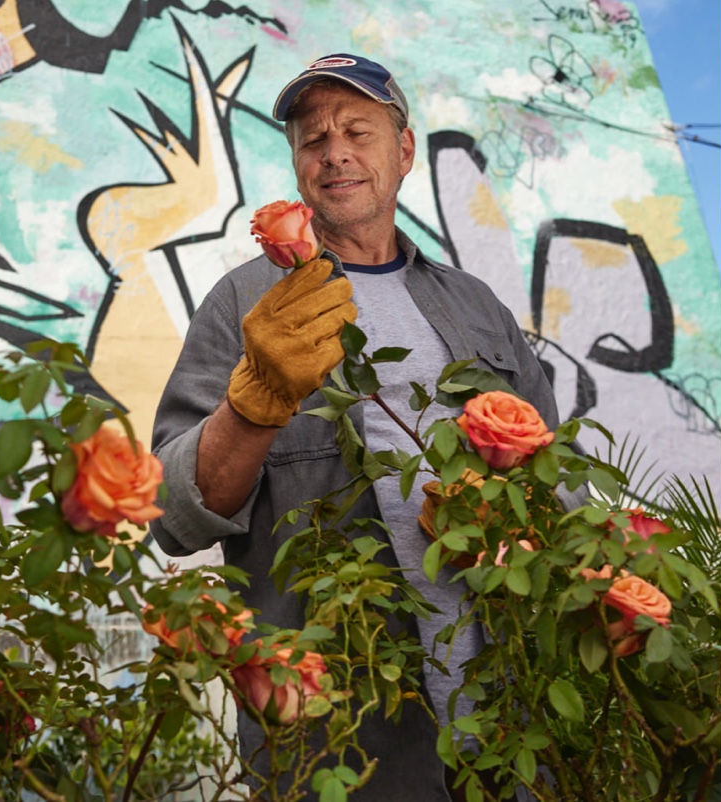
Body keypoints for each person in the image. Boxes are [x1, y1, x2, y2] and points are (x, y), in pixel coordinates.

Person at [150, 53, 559, 801]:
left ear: (403, 151)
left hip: (512, 718)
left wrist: (513, 522)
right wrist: (254, 404)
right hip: (341, 739)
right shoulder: (241, 304)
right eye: (313, 139)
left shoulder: (477, 307)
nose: (334, 150)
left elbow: (552, 484)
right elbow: (174, 518)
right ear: (299, 169)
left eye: (357, 131)